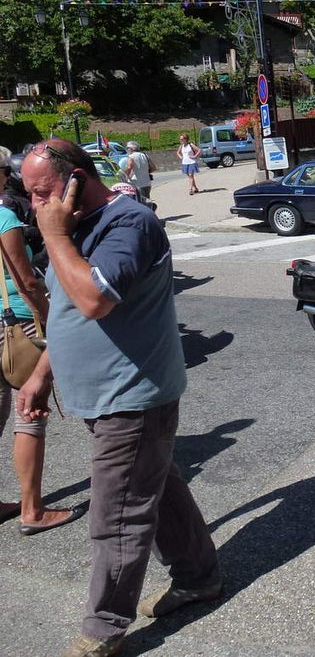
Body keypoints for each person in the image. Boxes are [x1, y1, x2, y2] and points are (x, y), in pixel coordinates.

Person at [18, 140, 220, 657]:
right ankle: (199, 577)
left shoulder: (128, 223)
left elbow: (92, 299)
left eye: (43, 193)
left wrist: (54, 233)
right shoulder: (73, 225)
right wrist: (42, 372)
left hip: (131, 397)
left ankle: (103, 629)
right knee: (160, 487)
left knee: (117, 517)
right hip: (107, 395)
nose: (37, 205)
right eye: (30, 195)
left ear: (78, 179)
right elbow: (64, 307)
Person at [0, 150, 85, 537]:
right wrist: (52, 318)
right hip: (17, 323)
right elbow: (26, 279)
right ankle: (32, 509)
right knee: (29, 414)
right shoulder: (3, 218)